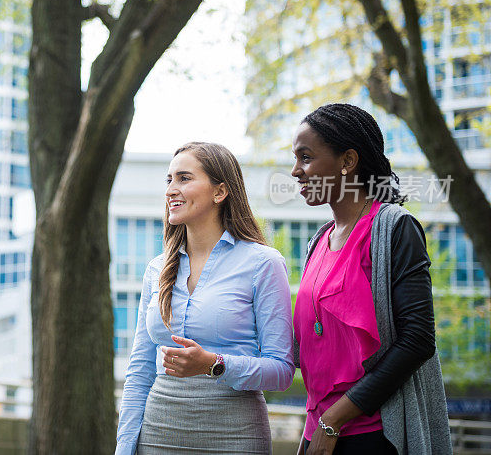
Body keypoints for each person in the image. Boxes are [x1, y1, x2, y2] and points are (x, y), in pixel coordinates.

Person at [291, 103, 451, 455]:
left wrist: (334, 419)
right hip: (318, 431)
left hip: (372, 433)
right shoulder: (318, 241)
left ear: (348, 161)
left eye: (305, 157)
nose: (295, 171)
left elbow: (418, 340)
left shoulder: (394, 227)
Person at [115, 142, 294, 455]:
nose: (171, 189)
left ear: (220, 191)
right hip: (158, 434)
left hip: (236, 435)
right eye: (168, 180)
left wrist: (214, 364)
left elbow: (281, 370)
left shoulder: (263, 263)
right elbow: (140, 369)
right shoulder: (156, 268)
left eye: (184, 178)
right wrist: (124, 446)